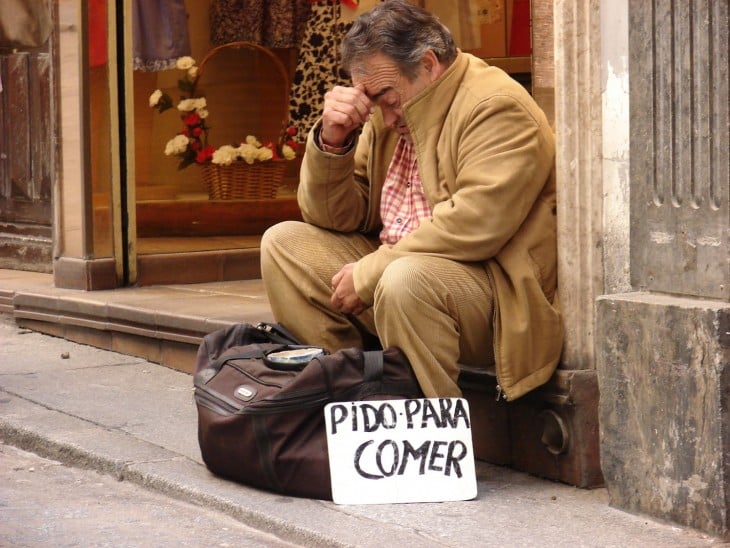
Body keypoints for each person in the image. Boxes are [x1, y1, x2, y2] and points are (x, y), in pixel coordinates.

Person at [260, 0, 563, 401]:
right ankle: (346, 404)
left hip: (491, 293)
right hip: (398, 274)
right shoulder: (392, 112)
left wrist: (370, 273)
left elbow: (475, 225)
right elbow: (333, 215)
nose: (383, 118)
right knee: (284, 244)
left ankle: (424, 441)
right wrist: (333, 142)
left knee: (404, 280)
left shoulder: (496, 106)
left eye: (386, 98)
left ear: (428, 64)